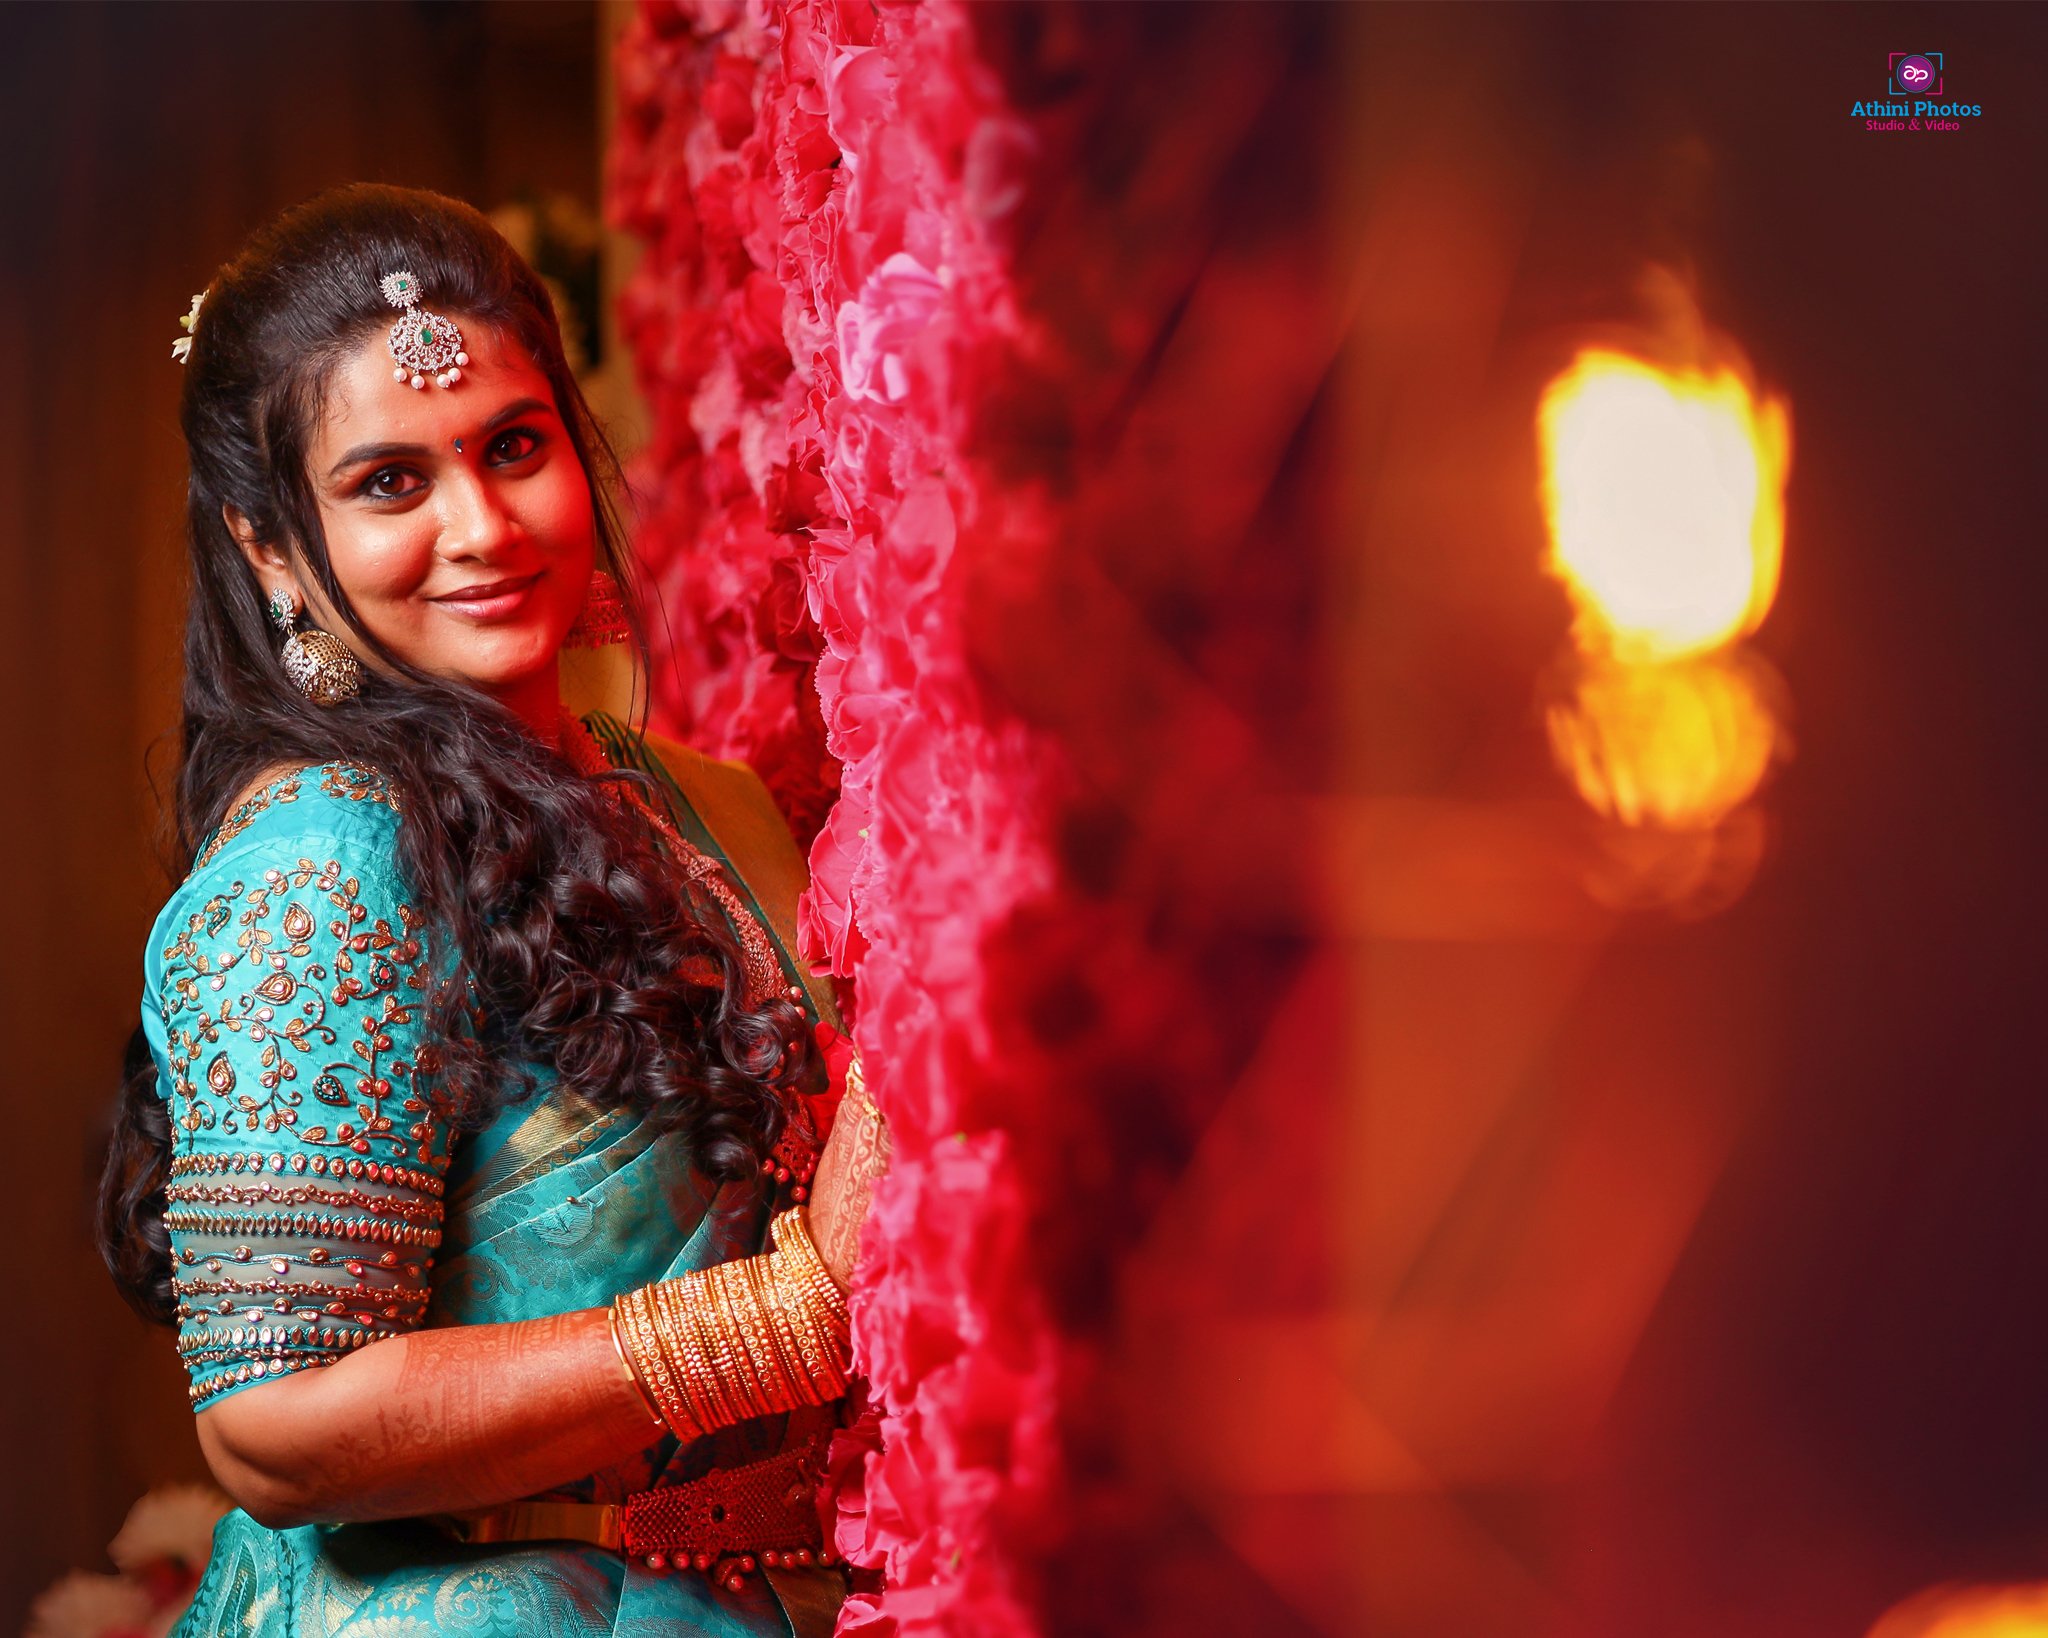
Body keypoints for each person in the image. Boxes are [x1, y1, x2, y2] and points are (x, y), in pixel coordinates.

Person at [96, 182, 888, 1638]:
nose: (481, 526)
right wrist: (787, 1318)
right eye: (390, 483)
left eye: (513, 447)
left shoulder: (704, 802)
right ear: (269, 544)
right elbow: (274, 1425)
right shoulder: (322, 865)